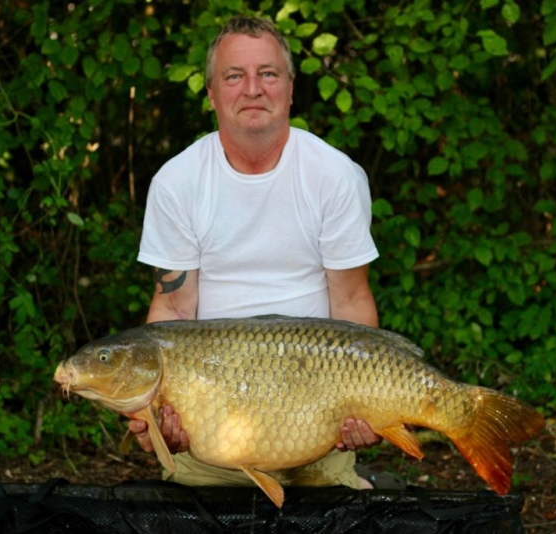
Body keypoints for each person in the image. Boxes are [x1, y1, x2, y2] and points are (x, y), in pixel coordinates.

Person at [132, 15, 390, 490]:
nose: (252, 88)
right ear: (211, 93)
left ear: (291, 89)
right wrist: (157, 414)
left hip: (316, 418)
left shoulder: (334, 176)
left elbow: (351, 302)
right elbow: (172, 305)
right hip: (212, 420)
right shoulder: (178, 182)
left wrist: (364, 405)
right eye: (234, 76)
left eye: (268, 74)